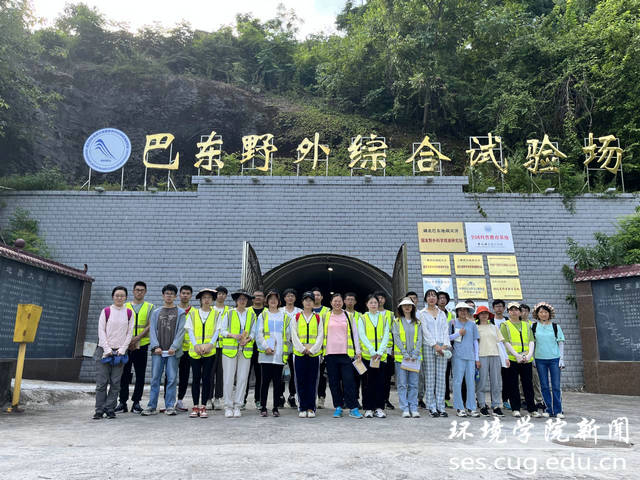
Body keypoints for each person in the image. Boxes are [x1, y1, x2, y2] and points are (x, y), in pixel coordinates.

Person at [141, 284, 186, 416]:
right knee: (155, 379)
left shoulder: (180, 313)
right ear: (163, 295)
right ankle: (151, 406)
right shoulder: (156, 312)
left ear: (175, 296)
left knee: (171, 379)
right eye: (167, 293)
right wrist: (155, 346)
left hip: (172, 352)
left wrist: (174, 347)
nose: (169, 296)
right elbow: (152, 331)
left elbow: (181, 331)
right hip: (158, 352)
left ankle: (170, 406)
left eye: (171, 294)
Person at [94, 286, 134, 419]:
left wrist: (122, 349)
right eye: (117, 295)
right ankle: (99, 409)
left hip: (120, 353)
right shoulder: (106, 311)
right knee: (101, 383)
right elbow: (101, 331)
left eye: (122, 296)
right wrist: (107, 349)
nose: (119, 298)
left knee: (115, 383)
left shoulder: (129, 313)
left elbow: (129, 333)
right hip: (104, 352)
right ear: (113, 297)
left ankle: (110, 408)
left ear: (126, 298)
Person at [323, 292, 363, 419]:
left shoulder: (349, 316)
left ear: (343, 302)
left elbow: (355, 334)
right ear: (331, 303)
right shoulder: (325, 316)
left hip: (346, 354)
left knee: (349, 381)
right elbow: (321, 334)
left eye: (339, 301)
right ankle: (338, 407)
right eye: (335, 301)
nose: (337, 303)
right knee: (334, 382)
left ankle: (353, 408)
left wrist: (358, 351)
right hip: (330, 354)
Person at [116, 281, 153, 414]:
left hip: (142, 344)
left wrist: (137, 338)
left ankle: (136, 402)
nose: (139, 292)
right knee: (124, 374)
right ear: (133, 291)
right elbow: (120, 324)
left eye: (142, 290)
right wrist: (128, 341)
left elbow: (150, 325)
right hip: (125, 345)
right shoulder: (125, 306)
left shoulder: (150, 307)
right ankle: (122, 402)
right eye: (137, 290)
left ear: (145, 292)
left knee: (140, 374)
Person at [221, 289, 257, 418]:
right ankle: (228, 406)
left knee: (242, 378)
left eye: (245, 299)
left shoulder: (251, 315)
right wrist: (232, 335)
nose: (242, 301)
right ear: (236, 300)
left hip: (245, 350)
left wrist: (248, 339)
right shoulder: (229, 313)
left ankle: (238, 406)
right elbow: (222, 331)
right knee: (228, 378)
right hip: (230, 350)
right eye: (240, 299)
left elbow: (254, 332)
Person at [256, 290, 291, 417]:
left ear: (279, 301)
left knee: (278, 383)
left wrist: (285, 352)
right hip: (266, 355)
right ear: (267, 301)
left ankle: (275, 407)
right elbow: (258, 334)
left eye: (275, 298)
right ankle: (263, 407)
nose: (273, 301)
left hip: (279, 355)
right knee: (264, 382)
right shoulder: (263, 315)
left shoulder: (285, 316)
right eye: (270, 298)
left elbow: (288, 335)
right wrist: (266, 347)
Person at [185, 288, 219, 418]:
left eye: (209, 298)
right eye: (204, 297)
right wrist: (196, 345)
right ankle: (195, 406)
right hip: (195, 351)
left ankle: (203, 405)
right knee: (196, 378)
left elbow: (217, 331)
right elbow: (190, 330)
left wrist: (210, 345)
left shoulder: (216, 314)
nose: (206, 300)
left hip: (209, 352)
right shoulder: (193, 314)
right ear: (200, 299)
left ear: (212, 300)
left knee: (206, 378)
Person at [500, 302, 537, 418]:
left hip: (526, 359)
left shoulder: (526, 325)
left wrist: (529, 355)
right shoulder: (505, 325)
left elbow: (531, 340)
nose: (514, 312)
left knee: (528, 384)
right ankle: (515, 408)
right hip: (512, 359)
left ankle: (532, 409)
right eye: (511, 310)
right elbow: (505, 342)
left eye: (516, 310)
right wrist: (516, 355)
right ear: (508, 312)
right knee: (513, 385)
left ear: (520, 312)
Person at [291, 291, 323, 417]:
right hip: (299, 354)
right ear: (302, 302)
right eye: (306, 300)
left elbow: (320, 335)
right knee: (300, 380)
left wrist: (313, 349)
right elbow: (294, 335)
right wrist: (302, 349)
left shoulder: (318, 317)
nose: (308, 302)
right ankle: (302, 407)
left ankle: (311, 408)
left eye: (311, 300)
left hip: (314, 354)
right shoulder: (296, 317)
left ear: (314, 302)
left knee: (312, 381)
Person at [419, 289, 450, 417]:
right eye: (429, 296)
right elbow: (425, 331)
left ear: (437, 299)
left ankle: (441, 406)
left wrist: (445, 345)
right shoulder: (422, 313)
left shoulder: (442, 313)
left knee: (441, 377)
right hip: (428, 346)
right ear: (426, 299)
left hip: (442, 346)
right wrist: (434, 345)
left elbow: (445, 330)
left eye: (434, 296)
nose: (431, 298)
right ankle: (431, 406)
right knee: (430, 377)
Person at [358, 294, 390, 418]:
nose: (373, 305)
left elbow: (386, 335)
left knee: (380, 383)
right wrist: (372, 351)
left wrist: (380, 351)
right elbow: (362, 335)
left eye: (375, 302)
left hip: (381, 357)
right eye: (371, 302)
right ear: (367, 304)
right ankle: (368, 408)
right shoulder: (362, 318)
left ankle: (379, 408)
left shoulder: (384, 318)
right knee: (367, 383)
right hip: (368, 357)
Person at [532, 302, 565, 418]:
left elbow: (560, 342)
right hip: (540, 359)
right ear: (537, 314)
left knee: (556, 386)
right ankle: (548, 409)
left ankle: (558, 410)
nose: (543, 314)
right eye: (541, 312)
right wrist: (533, 358)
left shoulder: (556, 327)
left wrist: (561, 359)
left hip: (554, 359)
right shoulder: (534, 327)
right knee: (544, 386)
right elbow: (532, 343)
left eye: (545, 312)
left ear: (549, 314)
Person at [474, 305, 507, 417]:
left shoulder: (494, 327)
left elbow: (501, 343)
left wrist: (505, 357)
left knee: (496, 382)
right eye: (481, 313)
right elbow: (474, 345)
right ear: (478, 315)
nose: (484, 315)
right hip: (481, 356)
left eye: (486, 313)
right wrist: (476, 359)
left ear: (489, 315)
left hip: (495, 355)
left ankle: (496, 406)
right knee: (482, 382)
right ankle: (482, 405)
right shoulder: (475, 327)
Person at [392, 297, 423, 418]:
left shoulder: (418, 322)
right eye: (404, 305)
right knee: (402, 384)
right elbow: (396, 338)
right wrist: (405, 354)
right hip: (401, 359)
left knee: (414, 384)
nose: (407, 307)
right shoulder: (396, 322)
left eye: (409, 305)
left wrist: (415, 354)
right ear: (401, 307)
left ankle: (413, 408)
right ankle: (405, 408)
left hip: (414, 359)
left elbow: (420, 339)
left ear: (413, 307)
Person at [450, 302, 480, 417]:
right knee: (457, 382)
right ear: (457, 311)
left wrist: (477, 358)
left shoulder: (472, 324)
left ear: (468, 312)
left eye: (465, 310)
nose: (463, 312)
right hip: (458, 356)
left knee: (471, 383)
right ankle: (459, 407)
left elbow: (475, 342)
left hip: (470, 357)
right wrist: (458, 333)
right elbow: (447, 338)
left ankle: (471, 407)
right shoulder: (452, 323)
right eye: (460, 310)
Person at [519, 303, 545, 411]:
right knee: (521, 380)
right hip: (520, 356)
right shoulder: (516, 324)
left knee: (535, 379)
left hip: (532, 356)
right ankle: (523, 399)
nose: (524, 313)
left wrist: (534, 357)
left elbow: (535, 342)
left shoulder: (533, 325)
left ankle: (539, 400)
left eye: (526, 311)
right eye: (522, 311)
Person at [207, 286, 229, 410]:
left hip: (224, 346)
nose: (221, 296)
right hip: (211, 346)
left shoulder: (230, 310)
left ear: (226, 296)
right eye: (219, 293)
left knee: (221, 373)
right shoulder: (210, 310)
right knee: (209, 372)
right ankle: (208, 398)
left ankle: (218, 398)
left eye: (223, 294)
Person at [375, 290, 396, 411]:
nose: (380, 300)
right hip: (374, 351)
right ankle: (375, 399)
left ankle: (385, 399)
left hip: (387, 350)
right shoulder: (369, 314)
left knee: (386, 377)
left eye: (382, 298)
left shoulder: (390, 314)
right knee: (375, 376)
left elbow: (394, 332)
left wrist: (393, 350)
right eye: (378, 298)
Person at [281, 288, 301, 408]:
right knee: (280, 373)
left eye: (292, 296)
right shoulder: (279, 311)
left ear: (295, 298)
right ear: (284, 298)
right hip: (282, 348)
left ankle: (292, 396)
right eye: (288, 296)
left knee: (295, 373)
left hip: (295, 347)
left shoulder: (299, 312)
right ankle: (280, 396)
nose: (290, 298)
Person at [245, 289, 265, 409]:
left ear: (264, 298)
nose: (258, 298)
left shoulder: (267, 312)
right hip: (247, 347)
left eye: (260, 296)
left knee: (260, 375)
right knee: (245, 375)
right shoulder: (247, 311)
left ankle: (258, 400)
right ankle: (242, 400)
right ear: (252, 299)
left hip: (261, 348)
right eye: (255, 296)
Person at [344, 291, 364, 407]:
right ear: (344, 301)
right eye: (348, 299)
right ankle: (346, 400)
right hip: (345, 351)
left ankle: (355, 399)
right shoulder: (341, 314)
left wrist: (359, 350)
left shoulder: (360, 316)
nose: (350, 302)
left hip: (357, 352)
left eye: (352, 300)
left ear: (355, 302)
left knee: (357, 377)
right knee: (345, 378)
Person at [311, 287, 330, 409]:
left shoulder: (327, 311)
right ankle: (310, 397)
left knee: (321, 375)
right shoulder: (306, 310)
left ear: (322, 297)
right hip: (308, 348)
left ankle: (321, 397)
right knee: (310, 375)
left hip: (322, 348)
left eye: (318, 295)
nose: (316, 297)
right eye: (314, 295)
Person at [176, 285, 193, 412]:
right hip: (174, 348)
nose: (185, 295)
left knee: (184, 375)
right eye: (183, 293)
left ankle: (180, 400)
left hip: (188, 349)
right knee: (170, 376)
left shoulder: (194, 312)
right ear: (179, 295)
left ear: (191, 296)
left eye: (187, 293)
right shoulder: (174, 310)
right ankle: (168, 400)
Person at [438, 291, 455, 408]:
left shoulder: (451, 314)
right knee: (437, 375)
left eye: (444, 298)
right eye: (440, 298)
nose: (442, 300)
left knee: (446, 374)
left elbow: (454, 330)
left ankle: (446, 398)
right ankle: (437, 398)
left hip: (448, 347)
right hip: (437, 347)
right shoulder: (433, 313)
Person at [492, 299, 509, 409]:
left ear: (504, 308)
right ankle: (494, 401)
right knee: (494, 378)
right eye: (496, 306)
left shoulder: (508, 320)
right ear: (493, 308)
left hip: (506, 353)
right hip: (493, 352)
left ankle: (506, 400)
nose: (499, 308)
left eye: (501, 306)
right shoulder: (490, 321)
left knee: (506, 378)